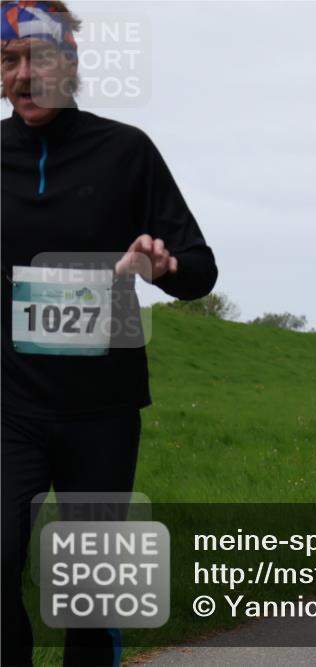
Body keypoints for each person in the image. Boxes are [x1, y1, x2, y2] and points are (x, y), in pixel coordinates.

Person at [2, 4, 218, 664]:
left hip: (102, 411)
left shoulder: (125, 151)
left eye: (39, 58)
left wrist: (161, 265)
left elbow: (199, 269)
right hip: (11, 408)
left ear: (69, 66)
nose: (24, 74)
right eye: (8, 61)